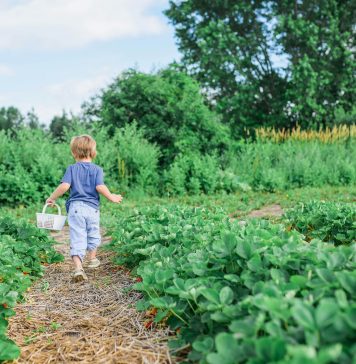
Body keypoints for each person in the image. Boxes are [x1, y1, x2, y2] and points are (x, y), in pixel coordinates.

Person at [46, 134, 123, 282]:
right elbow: (100, 186)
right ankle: (92, 259)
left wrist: (52, 197)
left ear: (74, 153)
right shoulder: (97, 169)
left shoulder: (71, 168)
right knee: (93, 233)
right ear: (93, 152)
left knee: (77, 236)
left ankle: (78, 268)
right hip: (92, 209)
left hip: (75, 208)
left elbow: (64, 186)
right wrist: (111, 196)